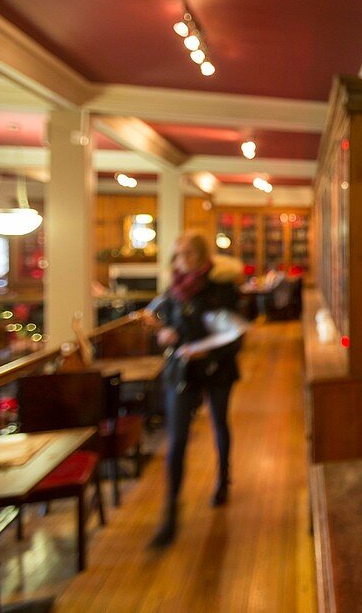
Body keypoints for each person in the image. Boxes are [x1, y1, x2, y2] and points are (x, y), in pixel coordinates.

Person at [148, 232, 246, 547]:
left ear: (203, 257)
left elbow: (236, 334)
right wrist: (164, 334)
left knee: (219, 421)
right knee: (176, 439)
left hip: (217, 368)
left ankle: (222, 480)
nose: (183, 260)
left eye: (189, 253)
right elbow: (167, 326)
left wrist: (208, 350)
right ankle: (171, 512)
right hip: (183, 371)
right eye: (179, 254)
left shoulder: (222, 288)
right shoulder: (173, 291)